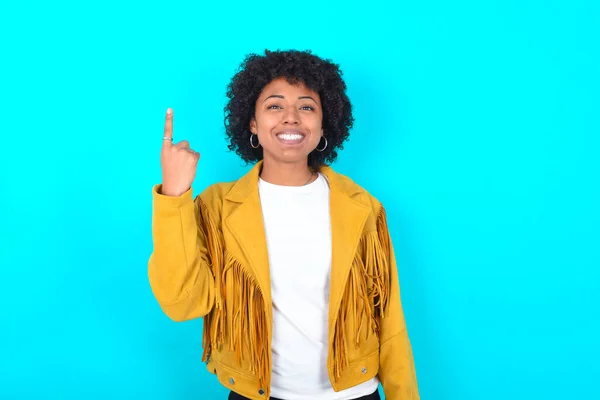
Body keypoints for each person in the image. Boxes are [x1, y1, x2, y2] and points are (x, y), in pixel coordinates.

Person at [148, 49, 419, 400]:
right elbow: (183, 303)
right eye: (274, 106)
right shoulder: (217, 207)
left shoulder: (361, 207)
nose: (291, 118)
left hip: (355, 393)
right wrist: (174, 193)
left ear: (324, 124)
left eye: (306, 107)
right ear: (252, 123)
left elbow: (390, 320)